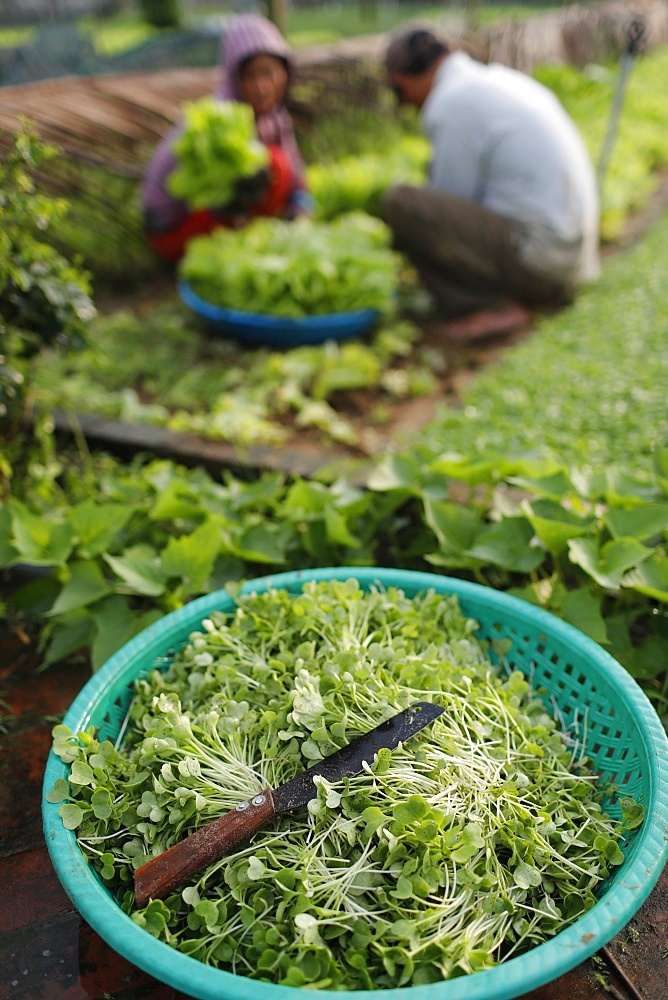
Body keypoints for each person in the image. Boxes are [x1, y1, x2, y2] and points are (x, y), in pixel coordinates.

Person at [381, 25, 600, 340]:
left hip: (542, 264)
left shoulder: (450, 101)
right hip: (573, 259)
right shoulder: (498, 79)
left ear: (401, 81)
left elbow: (446, 208)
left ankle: (488, 307)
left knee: (401, 203)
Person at [141, 13, 311, 262]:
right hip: (176, 230)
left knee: (277, 166)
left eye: (270, 73)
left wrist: (300, 210)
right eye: (251, 76)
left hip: (218, 221)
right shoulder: (219, 118)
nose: (262, 87)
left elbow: (297, 179)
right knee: (274, 166)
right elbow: (206, 202)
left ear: (285, 72)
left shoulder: (273, 116)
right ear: (235, 77)